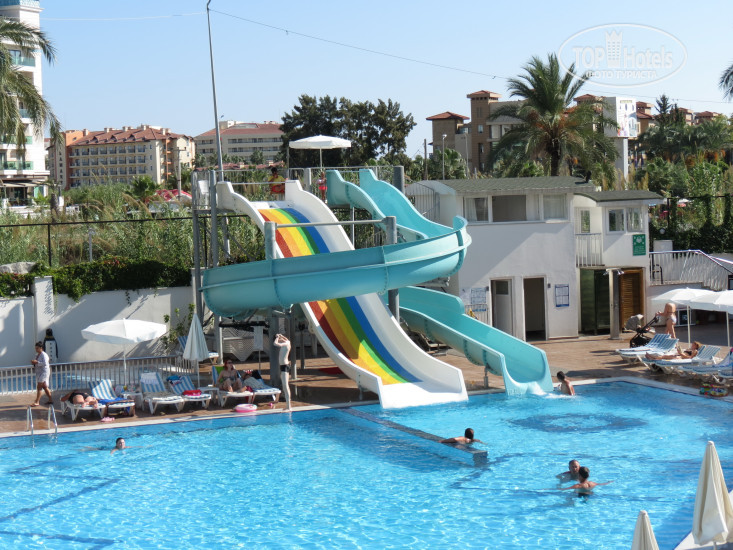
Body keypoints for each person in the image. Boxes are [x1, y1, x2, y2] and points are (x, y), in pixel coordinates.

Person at [30, 341, 52, 407]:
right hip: (40, 372)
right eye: (35, 348)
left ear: (41, 348)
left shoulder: (44, 355)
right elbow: (38, 362)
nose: (36, 349)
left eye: (37, 348)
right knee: (45, 387)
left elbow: (45, 363)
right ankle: (50, 399)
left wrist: (37, 362)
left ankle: (37, 401)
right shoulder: (37, 355)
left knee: (39, 386)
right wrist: (34, 362)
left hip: (44, 372)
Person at [274, 333, 292, 411]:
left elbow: (275, 344)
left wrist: (277, 338)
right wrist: (280, 336)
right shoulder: (287, 341)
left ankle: (288, 406)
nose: (280, 340)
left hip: (285, 366)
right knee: (285, 386)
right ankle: (288, 405)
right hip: (284, 366)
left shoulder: (286, 343)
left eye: (281, 339)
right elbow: (285, 339)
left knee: (285, 386)